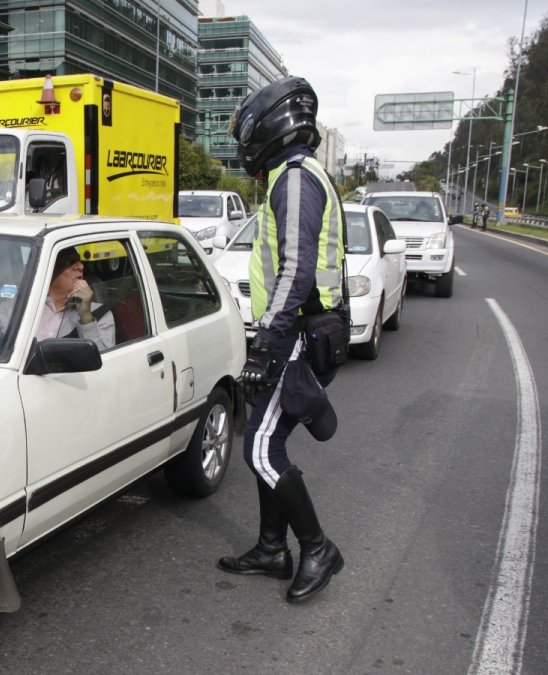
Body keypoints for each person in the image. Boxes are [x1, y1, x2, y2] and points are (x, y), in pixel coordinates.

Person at [219, 75, 345, 603]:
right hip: (301, 331)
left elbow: (296, 270)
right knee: (270, 441)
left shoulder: (294, 179)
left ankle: (317, 548)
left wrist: (267, 339)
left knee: (261, 449)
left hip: (296, 334)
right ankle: (272, 548)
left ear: (271, 125)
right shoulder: (293, 175)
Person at [0, 247, 115, 351]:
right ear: (48, 269)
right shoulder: (18, 307)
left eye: (80, 262)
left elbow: (104, 363)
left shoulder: (98, 313)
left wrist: (85, 317)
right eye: (70, 262)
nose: (80, 266)